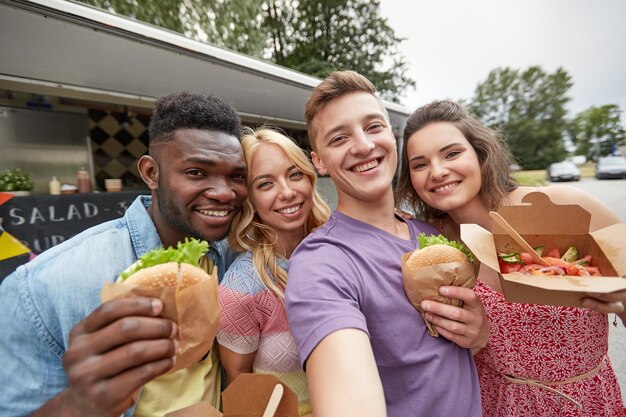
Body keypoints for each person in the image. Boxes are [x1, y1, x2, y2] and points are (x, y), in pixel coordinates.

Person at [0, 91, 248, 417]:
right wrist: (77, 406)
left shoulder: (232, 257)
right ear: (151, 173)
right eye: (196, 173)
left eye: (236, 176)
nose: (223, 192)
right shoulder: (45, 285)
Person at [394, 99, 626, 417]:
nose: (437, 171)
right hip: (492, 405)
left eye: (451, 153)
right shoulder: (428, 247)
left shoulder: (565, 208)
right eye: (420, 164)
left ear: (480, 154)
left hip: (586, 404)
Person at [284, 71, 488, 417]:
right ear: (318, 161)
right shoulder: (323, 262)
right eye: (339, 138)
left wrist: (478, 335)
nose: (363, 145)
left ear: (392, 138)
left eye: (374, 127)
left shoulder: (433, 235)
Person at [216, 127, 330, 416]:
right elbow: (242, 393)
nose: (288, 192)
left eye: (294, 175)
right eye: (266, 184)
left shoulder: (339, 252)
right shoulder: (241, 288)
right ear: (248, 198)